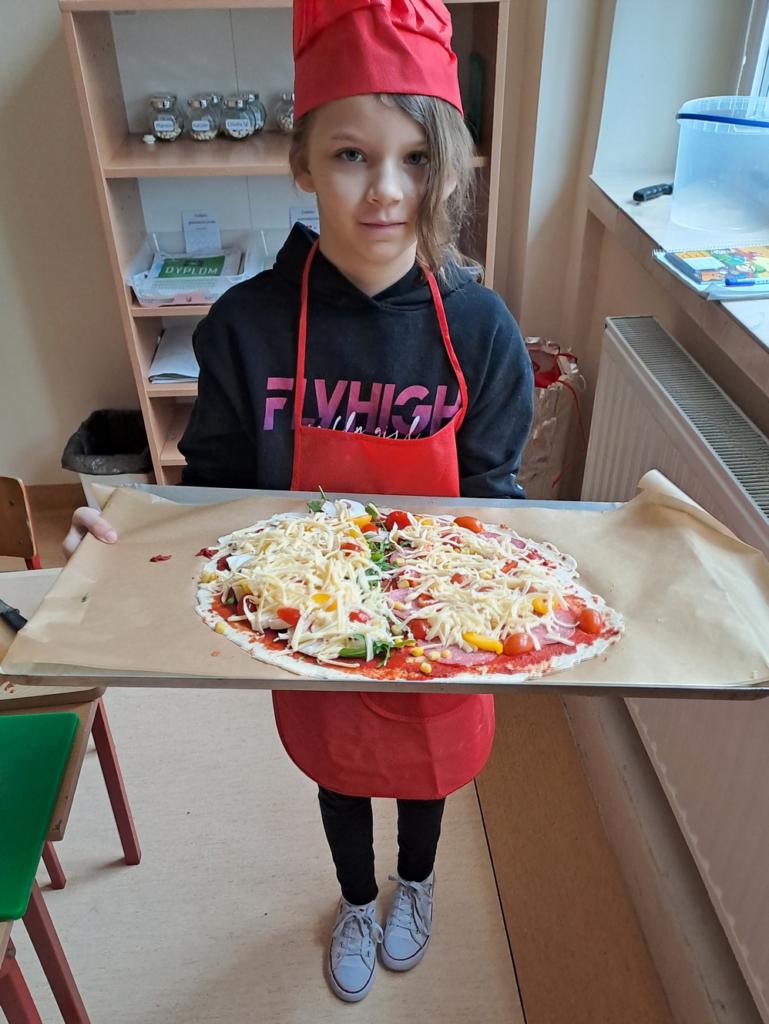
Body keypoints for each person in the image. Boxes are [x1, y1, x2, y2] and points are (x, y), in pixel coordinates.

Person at [65, 0, 534, 1003]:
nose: (386, 190)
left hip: (436, 625)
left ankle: (415, 882)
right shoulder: (248, 328)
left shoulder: (482, 331)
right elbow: (212, 495)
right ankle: (356, 895)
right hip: (310, 620)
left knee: (425, 772)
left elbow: (496, 497)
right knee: (341, 768)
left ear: (448, 169)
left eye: (415, 158)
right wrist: (126, 537)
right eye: (351, 155)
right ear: (303, 163)